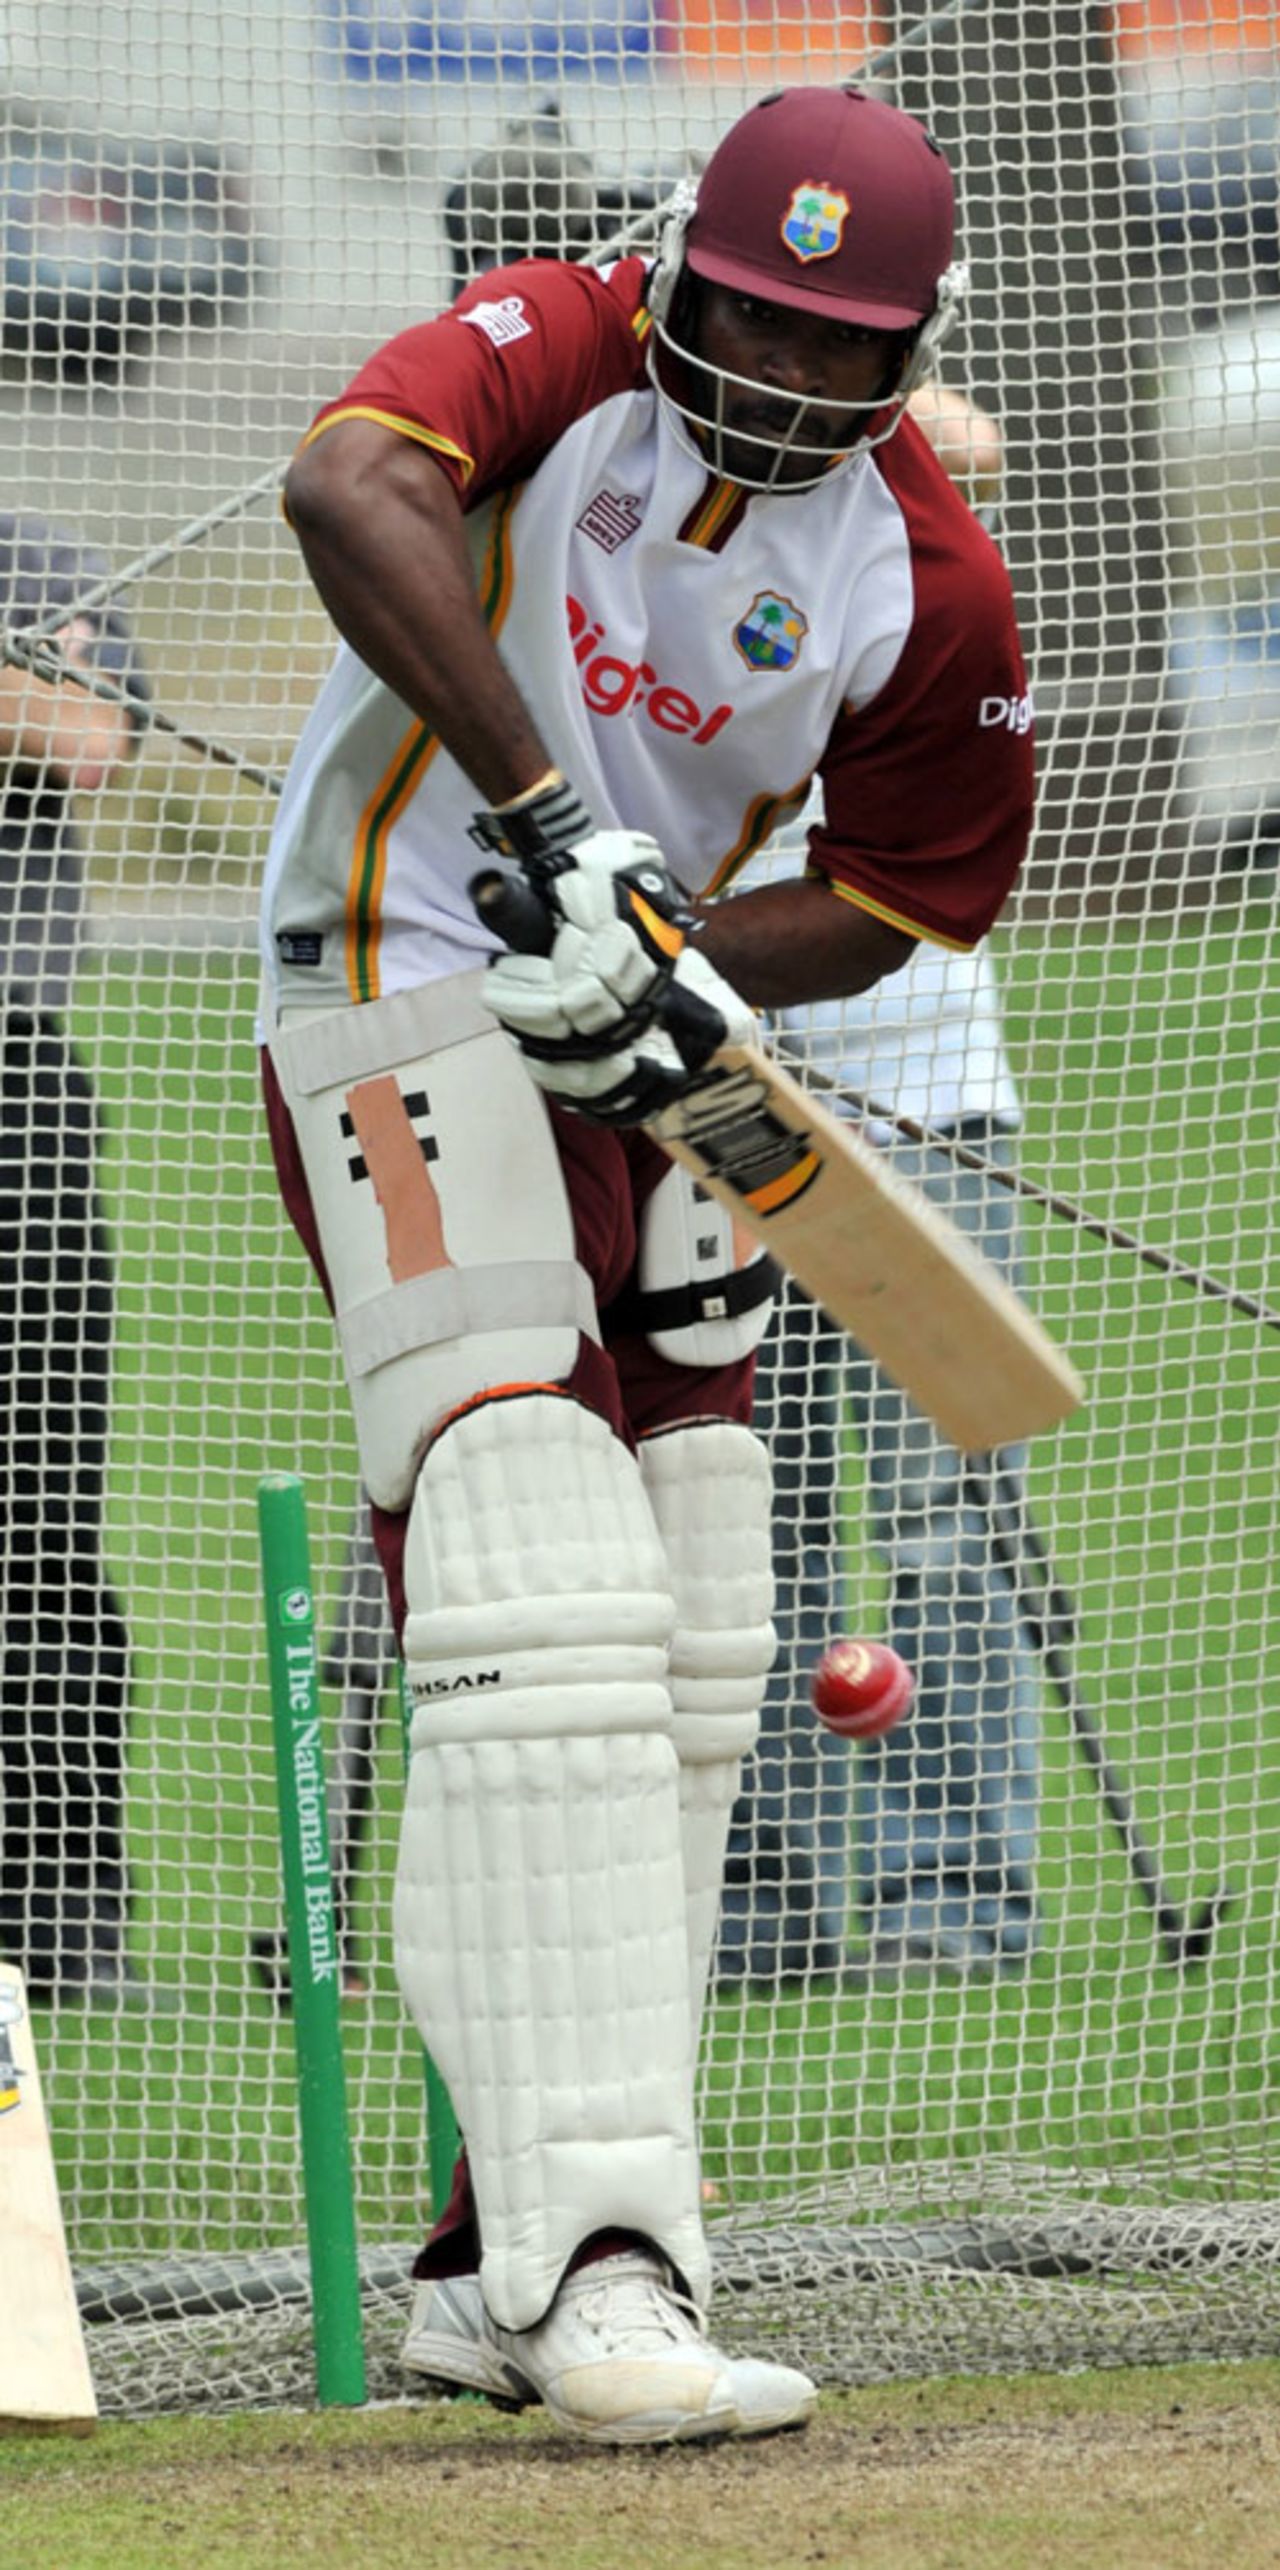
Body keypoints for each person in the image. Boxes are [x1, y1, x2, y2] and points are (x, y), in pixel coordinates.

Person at [259, 82, 1035, 2445]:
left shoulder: (928, 572)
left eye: (836, 353)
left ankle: (493, 2257)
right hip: (394, 974)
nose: (776, 384)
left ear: (908, 352)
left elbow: (909, 892)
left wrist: (683, 946)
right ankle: (600, 2266)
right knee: (532, 1551)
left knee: (697, 1607)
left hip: (645, 1043)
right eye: (745, 324)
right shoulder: (555, 344)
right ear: (675, 264)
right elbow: (344, 484)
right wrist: (554, 833)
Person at [0, 514, 151, 2006]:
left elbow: (84, 737)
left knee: (39, 1505)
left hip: (12, 1079)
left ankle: (60, 1916)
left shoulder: (33, 559)